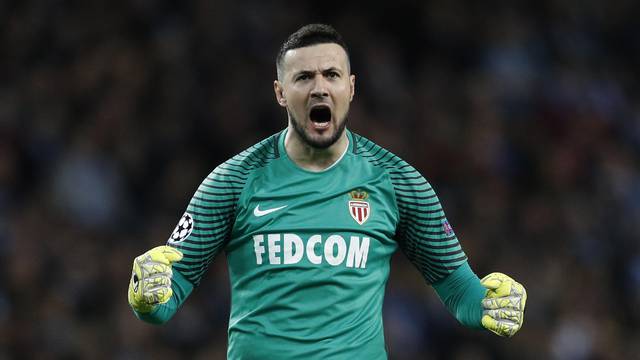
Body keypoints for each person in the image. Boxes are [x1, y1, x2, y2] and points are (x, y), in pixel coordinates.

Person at [127, 24, 527, 359]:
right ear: (281, 93)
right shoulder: (233, 181)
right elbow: (165, 293)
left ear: (350, 88)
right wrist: (145, 294)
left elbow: (459, 289)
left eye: (331, 75)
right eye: (304, 77)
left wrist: (490, 304)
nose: (320, 88)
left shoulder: (399, 182)